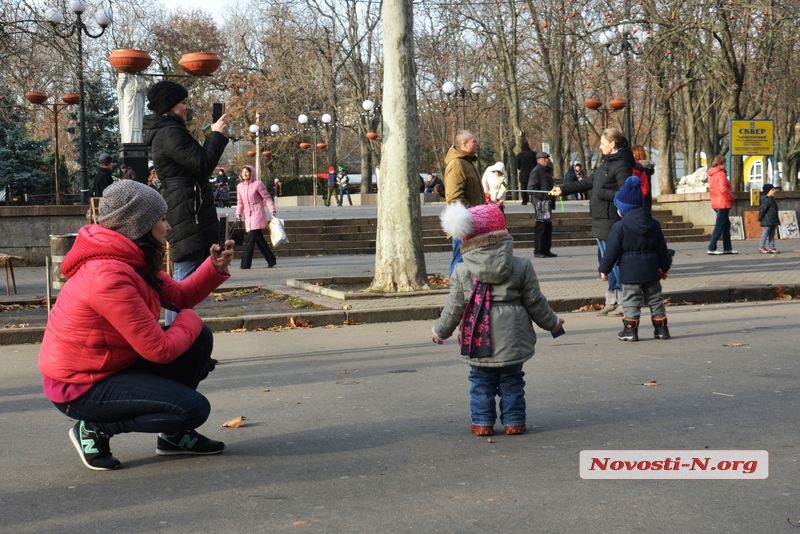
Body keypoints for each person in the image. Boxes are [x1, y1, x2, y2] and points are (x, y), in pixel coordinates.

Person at [37, 180, 234, 471]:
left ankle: (173, 436)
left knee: (198, 338)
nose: (168, 228)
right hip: (80, 386)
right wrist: (189, 319)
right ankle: (93, 428)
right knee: (194, 408)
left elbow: (179, 296)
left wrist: (213, 268)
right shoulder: (108, 275)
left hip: (112, 366)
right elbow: (160, 350)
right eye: (162, 219)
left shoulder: (130, 260)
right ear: (139, 225)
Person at [432, 202, 564, 436]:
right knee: (512, 380)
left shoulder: (462, 270)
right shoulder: (521, 265)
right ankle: (514, 421)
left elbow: (455, 307)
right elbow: (535, 301)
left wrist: (440, 331)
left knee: (480, 381)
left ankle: (482, 423)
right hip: (513, 334)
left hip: (477, 334)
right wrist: (552, 323)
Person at [143, 80, 229, 325]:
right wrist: (217, 136)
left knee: (187, 274)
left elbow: (194, 160)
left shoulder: (170, 130)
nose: (186, 107)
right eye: (183, 102)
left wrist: (212, 134)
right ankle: (175, 339)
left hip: (187, 207)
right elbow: (201, 164)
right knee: (184, 277)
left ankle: (179, 338)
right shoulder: (170, 132)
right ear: (170, 106)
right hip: (186, 210)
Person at [550, 127, 634, 316]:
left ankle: (624, 301)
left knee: (615, 262)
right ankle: (611, 299)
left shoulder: (621, 165)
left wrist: (601, 194)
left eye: (603, 144)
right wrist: (562, 190)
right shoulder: (605, 164)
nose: (600, 147)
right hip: (599, 219)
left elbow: (625, 193)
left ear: (612, 145)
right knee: (607, 261)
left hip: (610, 219)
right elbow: (587, 183)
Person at [599, 176, 672, 341]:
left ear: (624, 208)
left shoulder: (620, 226)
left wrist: (604, 270)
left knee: (631, 300)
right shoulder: (653, 224)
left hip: (630, 273)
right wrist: (665, 267)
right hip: (652, 271)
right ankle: (661, 329)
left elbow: (611, 251)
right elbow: (662, 248)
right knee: (655, 299)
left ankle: (630, 331)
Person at [444, 129, 484, 275]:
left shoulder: (466, 162)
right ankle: (456, 293)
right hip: (463, 223)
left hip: (471, 221)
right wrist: (474, 214)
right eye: (474, 141)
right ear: (464, 144)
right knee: (460, 261)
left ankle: (464, 293)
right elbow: (455, 198)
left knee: (466, 261)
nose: (477, 143)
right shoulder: (457, 164)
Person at [236, 164, 277, 269]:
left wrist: (272, 210)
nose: (245, 174)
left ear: (251, 173)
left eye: (247, 172)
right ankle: (271, 260)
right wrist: (238, 213)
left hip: (257, 214)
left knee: (250, 239)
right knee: (259, 240)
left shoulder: (258, 184)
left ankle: (245, 263)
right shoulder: (239, 187)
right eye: (243, 172)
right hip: (248, 216)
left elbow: (267, 198)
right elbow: (240, 202)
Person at [706, 155, 738, 255]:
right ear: (721, 163)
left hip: (716, 202)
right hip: (723, 202)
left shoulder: (712, 174)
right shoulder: (721, 174)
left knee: (725, 225)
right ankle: (712, 247)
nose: (725, 165)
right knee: (720, 226)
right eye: (724, 163)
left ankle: (727, 248)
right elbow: (723, 189)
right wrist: (731, 196)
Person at [528, 151, 556, 258]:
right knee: (541, 227)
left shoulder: (548, 171)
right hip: (540, 203)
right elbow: (531, 188)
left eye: (547, 158)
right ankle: (538, 250)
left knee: (548, 227)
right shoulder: (536, 171)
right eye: (544, 158)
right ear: (538, 160)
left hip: (548, 203)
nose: (547, 160)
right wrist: (542, 196)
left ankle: (546, 250)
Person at [631, 145, 654, 213]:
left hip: (639, 198)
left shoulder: (638, 168)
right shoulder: (648, 167)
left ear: (636, 154)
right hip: (647, 199)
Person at [758, 183, 779, 254]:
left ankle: (771, 247)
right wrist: (760, 218)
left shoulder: (772, 199)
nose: (774, 191)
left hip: (772, 221)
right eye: (772, 190)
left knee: (772, 235)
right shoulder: (766, 200)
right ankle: (761, 247)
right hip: (766, 221)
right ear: (768, 191)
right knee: (765, 234)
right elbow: (762, 210)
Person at [514, 141, 536, 205]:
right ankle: (533, 199)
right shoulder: (533, 154)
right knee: (533, 187)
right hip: (533, 174)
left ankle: (525, 200)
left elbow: (516, 165)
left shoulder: (520, 155)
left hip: (524, 174)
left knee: (524, 187)